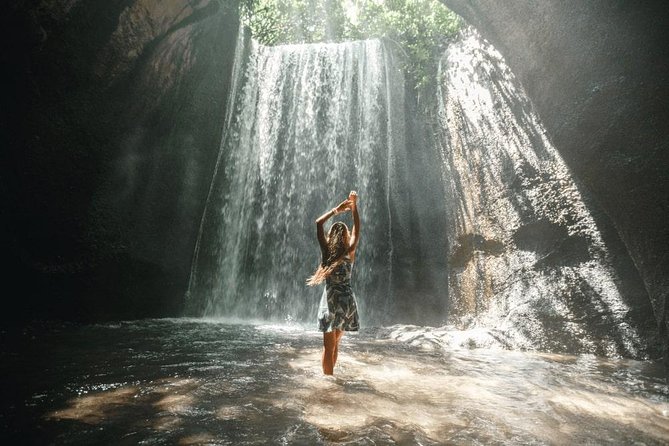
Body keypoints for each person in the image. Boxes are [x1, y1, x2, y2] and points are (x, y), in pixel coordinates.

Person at [306, 191, 361, 375]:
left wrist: (336, 211)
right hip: (346, 303)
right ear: (345, 237)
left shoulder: (327, 254)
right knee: (335, 344)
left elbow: (318, 223)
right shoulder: (349, 253)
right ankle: (331, 378)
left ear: (331, 236)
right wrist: (354, 206)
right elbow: (356, 230)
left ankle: (327, 382)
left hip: (330, 302)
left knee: (328, 347)